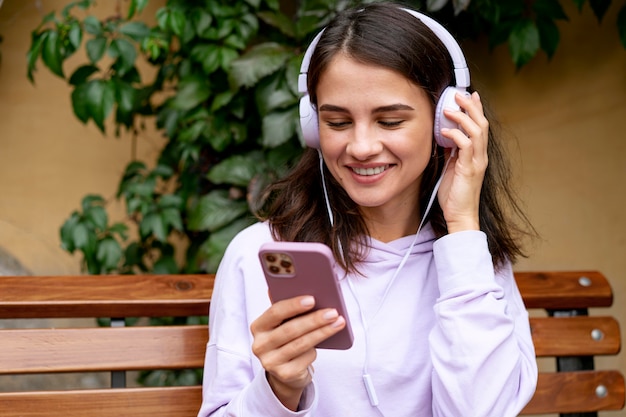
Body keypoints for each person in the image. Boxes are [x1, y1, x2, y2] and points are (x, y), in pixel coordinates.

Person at [197, 2, 538, 416]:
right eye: (337, 122)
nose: (360, 147)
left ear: (445, 124)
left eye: (390, 121)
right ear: (312, 126)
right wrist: (279, 390)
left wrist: (463, 226)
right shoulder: (257, 256)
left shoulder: (470, 261)